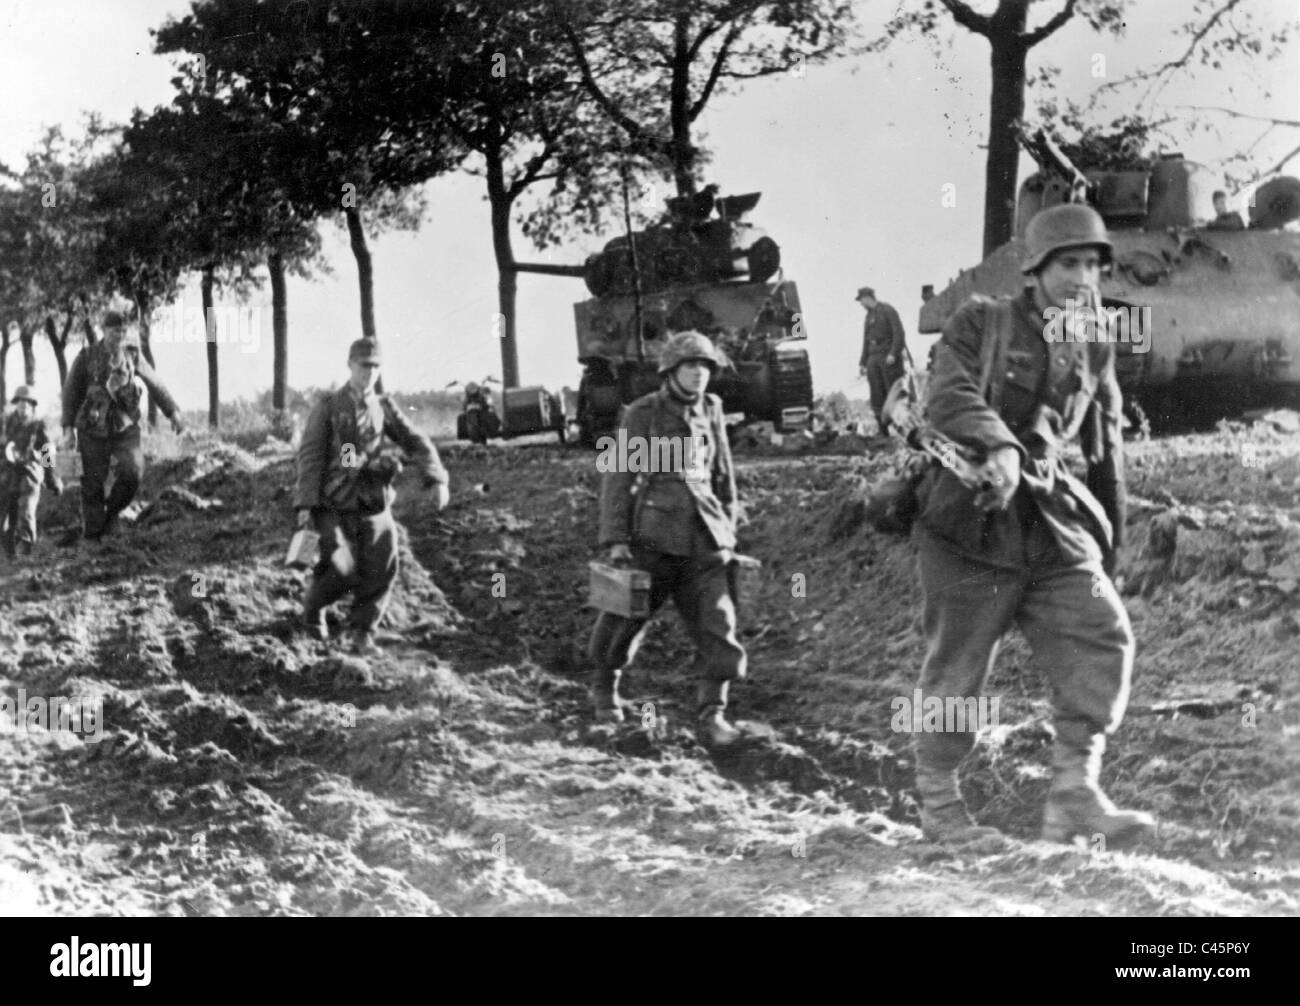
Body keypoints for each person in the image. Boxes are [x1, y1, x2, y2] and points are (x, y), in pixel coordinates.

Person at [910, 203, 1154, 848]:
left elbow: (1106, 449)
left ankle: (1075, 791)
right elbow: (948, 395)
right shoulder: (980, 320)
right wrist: (1001, 447)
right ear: (1036, 269)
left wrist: (1114, 546)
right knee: (957, 671)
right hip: (969, 521)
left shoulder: (1096, 341)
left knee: (1102, 634)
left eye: (1092, 266)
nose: (1081, 279)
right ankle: (940, 808)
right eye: (1067, 264)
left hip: (1051, 523)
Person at [588, 330, 748, 748]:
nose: (699, 375)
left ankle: (713, 713)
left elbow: (723, 477)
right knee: (625, 618)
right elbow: (618, 476)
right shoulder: (642, 413)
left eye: (705, 367)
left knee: (719, 625)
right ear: (671, 371)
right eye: (690, 366)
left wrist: (729, 531)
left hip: (705, 538)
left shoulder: (713, 408)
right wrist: (615, 540)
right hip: (654, 538)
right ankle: (605, 689)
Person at [294, 337, 449, 654]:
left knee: (383, 560)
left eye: (376, 367)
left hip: (371, 500)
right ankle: (312, 611)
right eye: (364, 366)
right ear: (350, 365)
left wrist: (436, 478)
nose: (370, 373)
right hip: (332, 502)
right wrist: (305, 505)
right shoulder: (328, 408)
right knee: (342, 568)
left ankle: (362, 632)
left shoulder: (384, 407)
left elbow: (416, 441)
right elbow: (311, 457)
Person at [61, 310, 185, 543]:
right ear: (103, 330)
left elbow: (154, 382)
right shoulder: (86, 357)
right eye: (113, 330)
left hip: (124, 427)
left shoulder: (132, 355)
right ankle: (93, 539)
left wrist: (173, 411)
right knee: (92, 484)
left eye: (121, 330)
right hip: (92, 428)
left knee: (133, 471)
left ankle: (111, 515)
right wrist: (67, 429)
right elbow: (70, 394)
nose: (118, 335)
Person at [1, 386, 62, 558]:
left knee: (26, 512)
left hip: (30, 474)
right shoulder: (5, 423)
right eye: (20, 402)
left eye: (27, 402)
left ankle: (25, 552)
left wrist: (53, 480)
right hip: (8, 475)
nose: (23, 405)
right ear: (16, 403)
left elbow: (47, 452)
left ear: (32, 405)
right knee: (4, 517)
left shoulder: (38, 425)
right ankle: (10, 554)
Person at [856, 287, 907, 429]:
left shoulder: (887, 310)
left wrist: (893, 353)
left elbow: (899, 334)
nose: (861, 304)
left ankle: (901, 428)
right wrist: (862, 362)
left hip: (887, 357)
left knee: (893, 393)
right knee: (877, 395)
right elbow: (865, 341)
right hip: (873, 358)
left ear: (867, 298)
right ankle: (883, 430)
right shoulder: (868, 317)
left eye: (861, 300)